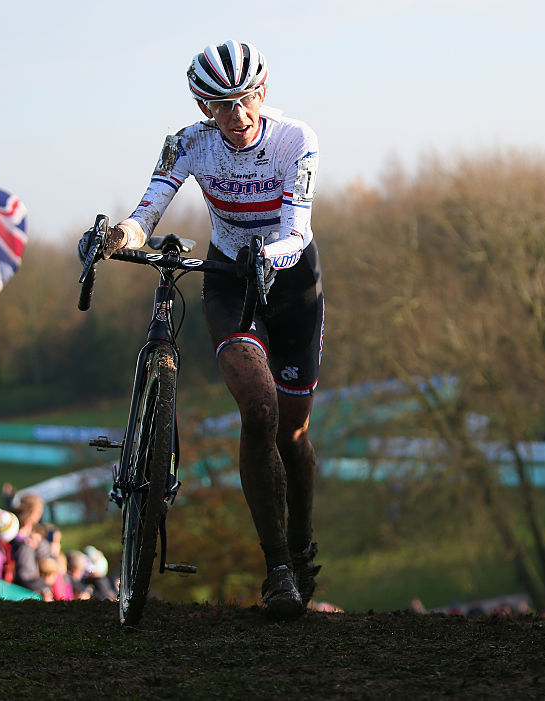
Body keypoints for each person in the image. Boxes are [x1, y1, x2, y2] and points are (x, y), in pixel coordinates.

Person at [84, 40, 323, 619]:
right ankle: (278, 571)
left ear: (262, 93)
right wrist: (118, 238)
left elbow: (297, 227)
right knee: (258, 409)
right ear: (203, 107)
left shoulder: (296, 139)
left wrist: (271, 255)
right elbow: (147, 213)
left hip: (290, 278)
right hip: (226, 275)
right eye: (222, 105)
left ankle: (301, 541)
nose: (238, 116)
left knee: (291, 433)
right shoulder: (188, 143)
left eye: (246, 100)